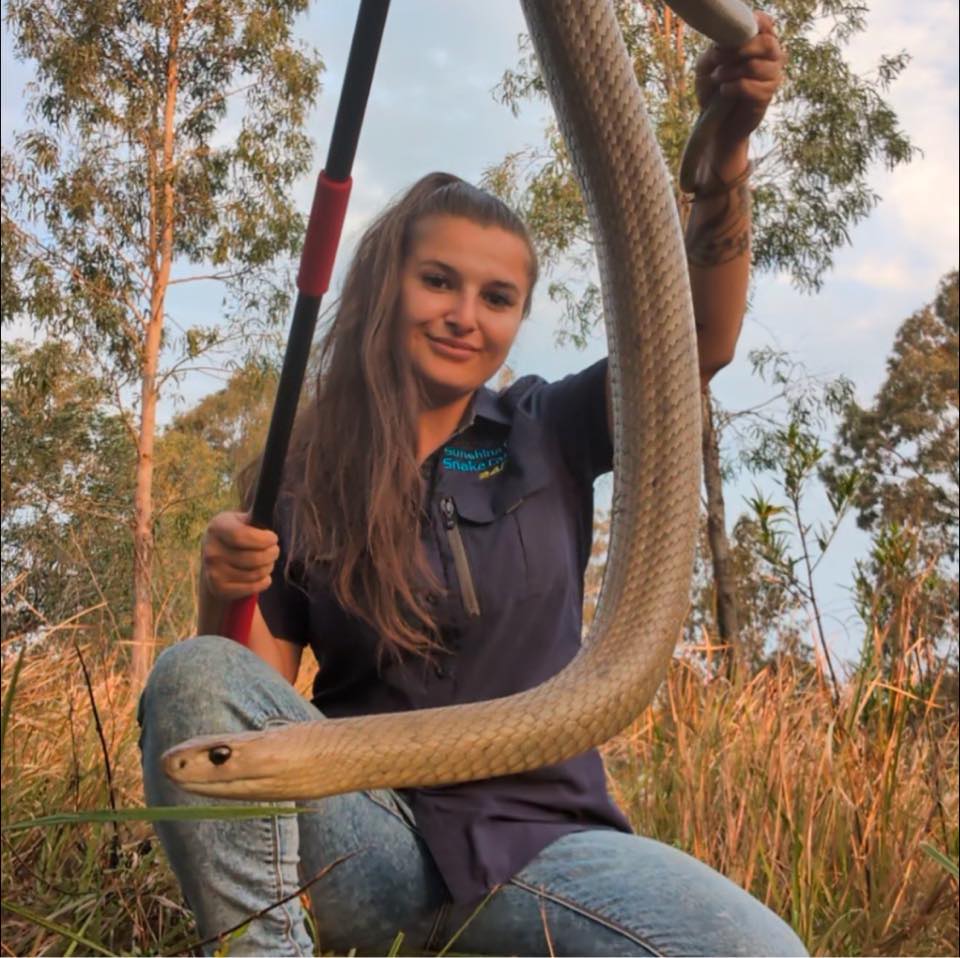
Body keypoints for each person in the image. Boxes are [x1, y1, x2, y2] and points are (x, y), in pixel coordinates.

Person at [139, 13, 806, 956]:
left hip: (546, 848)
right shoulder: (298, 476)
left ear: (517, 318)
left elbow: (695, 343)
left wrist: (727, 151)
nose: (465, 316)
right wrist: (221, 595)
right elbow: (248, 715)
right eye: (439, 282)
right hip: (363, 840)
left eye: (496, 298)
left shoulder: (550, 429)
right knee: (194, 672)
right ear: (384, 287)